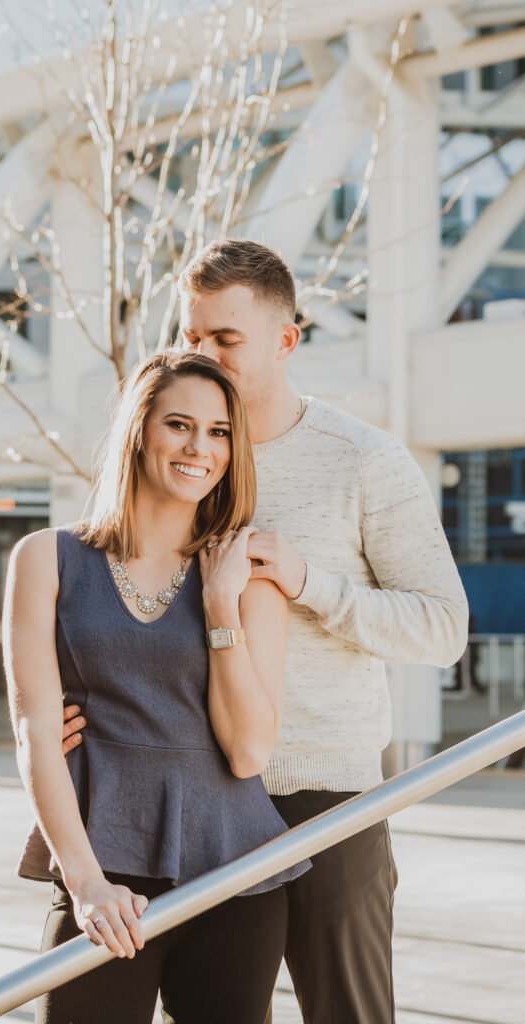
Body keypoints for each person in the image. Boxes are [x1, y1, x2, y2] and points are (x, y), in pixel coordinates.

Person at [63, 241, 469, 1024]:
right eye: (191, 335)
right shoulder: (166, 450)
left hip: (321, 793)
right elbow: (109, 589)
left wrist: (310, 583)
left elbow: (442, 628)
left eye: (224, 339)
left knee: (345, 1012)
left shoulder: (364, 461)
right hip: (187, 797)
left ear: (286, 341)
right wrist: (66, 711)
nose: (200, 353)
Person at [4, 349, 309, 1024]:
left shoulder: (249, 575)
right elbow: (35, 732)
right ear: (140, 429)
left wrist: (221, 608)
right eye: (179, 424)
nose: (200, 447)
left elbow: (248, 752)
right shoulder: (44, 558)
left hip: (235, 876)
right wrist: (85, 884)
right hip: (100, 865)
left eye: (219, 431)